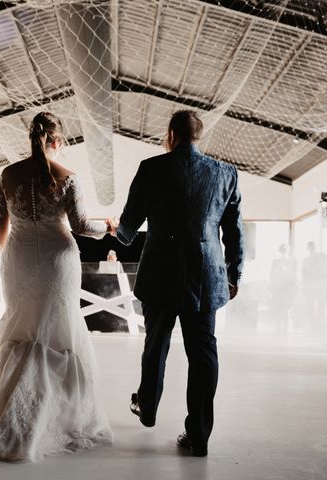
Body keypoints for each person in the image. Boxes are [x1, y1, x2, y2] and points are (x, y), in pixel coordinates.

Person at [0, 112, 114, 461]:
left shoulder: (8, 175)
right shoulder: (67, 177)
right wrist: (109, 228)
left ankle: (5, 419)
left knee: (20, 330)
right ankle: (52, 419)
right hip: (58, 261)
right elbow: (82, 225)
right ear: (59, 141)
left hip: (19, 259)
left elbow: (0, 222)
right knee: (57, 333)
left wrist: (8, 256)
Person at [113, 110, 245, 457]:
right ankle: (198, 435)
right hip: (206, 277)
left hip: (160, 273)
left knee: (156, 344)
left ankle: (149, 409)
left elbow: (128, 228)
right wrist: (235, 274)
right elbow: (234, 231)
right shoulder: (225, 173)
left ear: (170, 134)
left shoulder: (151, 168)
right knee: (203, 353)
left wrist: (119, 230)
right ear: (197, 137)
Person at [270, 244, 297, 335]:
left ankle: (285, 329)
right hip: (278, 288)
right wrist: (273, 288)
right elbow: (272, 275)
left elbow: (294, 276)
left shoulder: (292, 262)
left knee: (286, 309)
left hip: (287, 289)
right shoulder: (276, 262)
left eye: (285, 250)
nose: (283, 251)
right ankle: (278, 328)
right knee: (278, 308)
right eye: (282, 250)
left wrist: (293, 288)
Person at [302, 241, 327, 334]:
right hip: (310, 287)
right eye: (310, 247)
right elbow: (304, 275)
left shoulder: (322, 258)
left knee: (321, 308)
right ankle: (314, 326)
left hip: (320, 287)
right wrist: (305, 288)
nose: (311, 249)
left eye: (313, 247)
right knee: (311, 308)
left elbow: (326, 271)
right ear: (308, 249)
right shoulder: (306, 260)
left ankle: (321, 326)